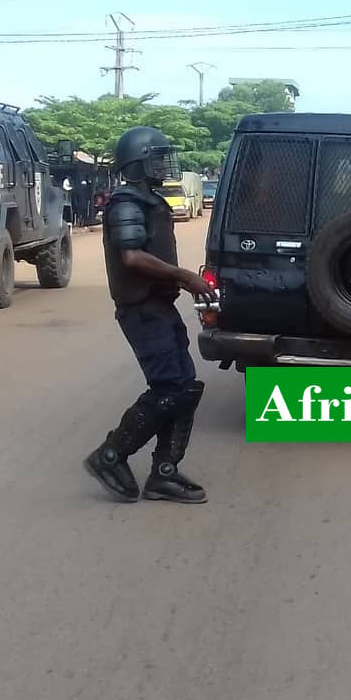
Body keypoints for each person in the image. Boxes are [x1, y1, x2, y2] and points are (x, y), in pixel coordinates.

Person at [84, 126, 219, 505]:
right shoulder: (126, 203)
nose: (165, 163)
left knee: (186, 387)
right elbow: (132, 256)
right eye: (157, 157)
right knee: (169, 389)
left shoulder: (149, 200)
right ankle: (111, 456)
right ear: (140, 164)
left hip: (160, 306)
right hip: (142, 310)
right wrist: (183, 276)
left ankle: (164, 472)